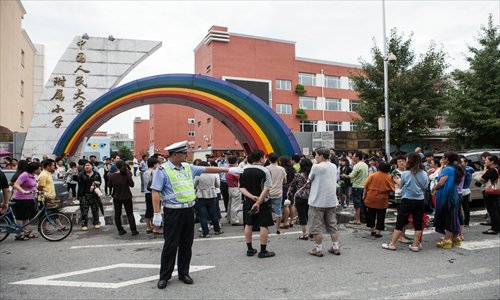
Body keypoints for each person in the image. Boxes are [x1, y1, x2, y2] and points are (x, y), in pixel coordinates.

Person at [150, 141, 240, 290]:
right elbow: (155, 191)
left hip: (188, 211)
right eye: (184, 153)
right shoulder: (162, 170)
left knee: (187, 244)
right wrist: (156, 213)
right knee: (170, 245)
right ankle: (164, 276)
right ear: (175, 154)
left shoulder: (188, 167)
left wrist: (228, 170)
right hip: (173, 211)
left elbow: (207, 169)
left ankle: (184, 273)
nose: (187, 155)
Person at [382, 153, 429, 252]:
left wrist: (398, 181)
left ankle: (392, 243)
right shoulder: (424, 173)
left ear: (410, 161)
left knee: (400, 221)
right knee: (418, 223)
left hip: (407, 199)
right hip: (420, 200)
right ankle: (415, 245)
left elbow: (402, 185)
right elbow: (425, 187)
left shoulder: (406, 173)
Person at [239, 150, 275, 259]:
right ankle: (263, 251)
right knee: (264, 225)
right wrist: (259, 201)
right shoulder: (265, 170)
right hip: (263, 201)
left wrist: (251, 197)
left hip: (248, 201)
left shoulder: (243, 170)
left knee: (248, 224)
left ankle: (249, 249)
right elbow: (267, 187)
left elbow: (241, 187)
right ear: (261, 158)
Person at [307, 147, 341, 257]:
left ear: (321, 156)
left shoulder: (316, 167)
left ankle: (318, 249)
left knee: (317, 226)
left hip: (317, 201)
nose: (315, 157)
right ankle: (336, 247)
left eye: (316, 155)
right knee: (332, 225)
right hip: (331, 201)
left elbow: (309, 179)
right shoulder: (334, 166)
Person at [434, 152, 465, 248]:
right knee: (453, 215)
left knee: (447, 217)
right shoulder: (457, 168)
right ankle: (456, 238)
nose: (442, 159)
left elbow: (441, 183)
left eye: (443, 158)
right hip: (454, 194)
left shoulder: (447, 169)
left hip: (446, 195)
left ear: (446, 159)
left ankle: (447, 240)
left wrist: (435, 188)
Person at [363, 162, 394, 238]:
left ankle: (372, 230)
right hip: (382, 199)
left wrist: (364, 196)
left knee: (371, 214)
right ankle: (378, 231)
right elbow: (393, 189)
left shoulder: (373, 175)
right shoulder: (389, 177)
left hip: (371, 198)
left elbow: (365, 186)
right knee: (381, 215)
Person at [11, 162, 41, 240]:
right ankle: (19, 234)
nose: (40, 169)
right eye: (39, 168)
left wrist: (37, 191)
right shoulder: (25, 175)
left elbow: (32, 187)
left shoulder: (33, 176)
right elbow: (16, 185)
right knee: (20, 217)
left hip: (29, 199)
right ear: (35, 169)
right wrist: (23, 191)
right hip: (21, 199)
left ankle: (26, 232)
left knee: (26, 216)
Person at [194, 161, 223, 238]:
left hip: (201, 196)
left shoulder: (198, 176)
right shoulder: (213, 175)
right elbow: (217, 185)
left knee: (203, 216)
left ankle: (205, 232)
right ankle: (217, 230)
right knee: (213, 214)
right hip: (212, 195)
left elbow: (194, 186)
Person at [109, 160, 137, 235]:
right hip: (127, 196)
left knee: (117, 214)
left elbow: (109, 186)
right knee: (130, 213)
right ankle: (133, 230)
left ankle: (120, 230)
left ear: (116, 166)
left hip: (116, 196)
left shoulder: (111, 175)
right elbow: (132, 185)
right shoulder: (126, 174)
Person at [288, 158, 313, 240]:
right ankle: (312, 232)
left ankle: (304, 234)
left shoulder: (298, 175)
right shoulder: (312, 175)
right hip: (311, 197)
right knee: (310, 215)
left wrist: (289, 191)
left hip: (300, 197)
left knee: (302, 216)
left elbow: (292, 184)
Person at [342, 151, 368, 224]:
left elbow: (351, 176)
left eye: (353, 156)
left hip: (357, 186)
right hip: (364, 187)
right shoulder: (365, 165)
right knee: (363, 204)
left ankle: (358, 220)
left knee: (357, 205)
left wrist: (345, 175)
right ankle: (363, 219)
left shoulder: (357, 166)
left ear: (357, 157)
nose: (352, 157)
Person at [76, 160, 102, 231]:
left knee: (95, 210)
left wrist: (97, 184)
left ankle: (96, 223)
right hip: (84, 195)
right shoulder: (81, 174)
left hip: (94, 195)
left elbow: (100, 182)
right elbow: (76, 179)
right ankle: (84, 224)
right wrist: (75, 174)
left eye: (88, 165)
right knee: (84, 210)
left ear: (92, 166)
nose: (87, 167)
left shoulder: (96, 174)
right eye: (85, 165)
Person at [266, 152, 286, 234]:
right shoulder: (281, 169)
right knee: (278, 211)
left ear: (268, 159)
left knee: (267, 211)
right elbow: (285, 180)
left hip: (268, 193)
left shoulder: (266, 168)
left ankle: (266, 229)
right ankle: (277, 229)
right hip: (278, 192)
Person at [479, 155, 500, 235]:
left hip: (491, 192)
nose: (485, 161)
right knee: (497, 209)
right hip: (497, 191)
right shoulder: (498, 168)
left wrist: (484, 169)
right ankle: (497, 227)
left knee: (492, 211)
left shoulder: (491, 170)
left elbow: (482, 179)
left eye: (487, 160)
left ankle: (494, 229)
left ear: (492, 162)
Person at [143, 156, 161, 234]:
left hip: (147, 192)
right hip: (154, 193)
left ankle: (148, 227)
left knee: (148, 210)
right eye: (157, 163)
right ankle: (156, 228)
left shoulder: (145, 172)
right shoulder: (154, 172)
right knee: (156, 210)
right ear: (154, 164)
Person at [227, 155, 243, 226]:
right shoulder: (234, 169)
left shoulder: (227, 168)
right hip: (235, 188)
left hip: (230, 187)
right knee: (235, 205)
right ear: (236, 161)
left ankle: (229, 218)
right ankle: (234, 220)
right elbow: (239, 178)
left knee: (230, 204)